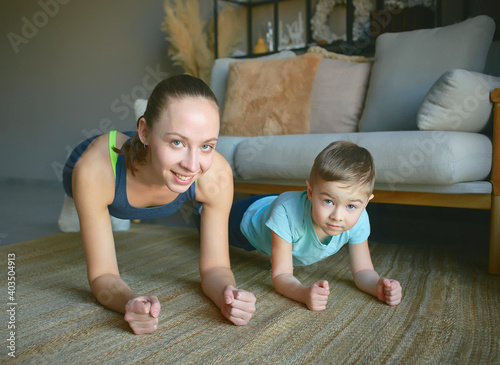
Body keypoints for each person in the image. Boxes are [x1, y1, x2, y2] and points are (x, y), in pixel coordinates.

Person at [58, 75, 256, 334]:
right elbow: (102, 276)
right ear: (143, 131)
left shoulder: (215, 174)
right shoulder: (93, 170)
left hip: (148, 156)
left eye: (206, 145)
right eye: (178, 142)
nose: (192, 165)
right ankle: (94, 205)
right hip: (103, 167)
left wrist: (227, 294)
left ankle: (161, 138)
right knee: (83, 203)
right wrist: (128, 301)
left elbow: (215, 267)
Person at [228, 141, 402, 311]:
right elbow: (281, 275)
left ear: (365, 203)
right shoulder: (286, 214)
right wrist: (303, 293)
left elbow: (363, 270)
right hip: (249, 218)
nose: (337, 217)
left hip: (283, 204)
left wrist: (377, 286)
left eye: (351, 206)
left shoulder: (360, 219)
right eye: (328, 201)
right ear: (310, 192)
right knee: (210, 222)